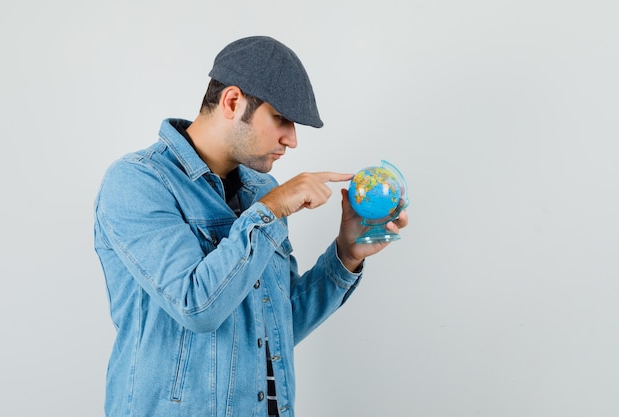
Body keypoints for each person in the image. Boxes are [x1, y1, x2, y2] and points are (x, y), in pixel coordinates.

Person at [93, 35, 408, 417]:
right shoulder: (138, 183)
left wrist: (346, 255)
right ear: (232, 102)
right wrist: (269, 211)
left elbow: (278, 325)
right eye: (282, 118)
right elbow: (196, 307)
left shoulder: (262, 189)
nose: (291, 139)